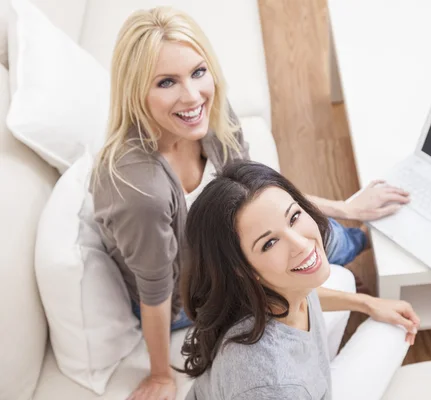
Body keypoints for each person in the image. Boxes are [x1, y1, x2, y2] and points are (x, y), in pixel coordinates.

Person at [90, 6, 410, 399]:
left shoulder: (208, 118)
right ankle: (350, 247)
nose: (192, 96)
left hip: (237, 246)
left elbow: (257, 198)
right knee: (320, 253)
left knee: (328, 241)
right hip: (186, 289)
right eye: (166, 82)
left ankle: (355, 240)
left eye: (198, 72)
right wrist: (160, 374)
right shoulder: (141, 193)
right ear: (135, 90)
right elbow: (155, 291)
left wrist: (347, 207)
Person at [180, 160, 420, 399]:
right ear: (241, 268)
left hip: (301, 380)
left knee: (344, 278)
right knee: (396, 330)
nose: (301, 244)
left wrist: (367, 303)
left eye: (293, 217)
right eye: (269, 243)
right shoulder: (272, 387)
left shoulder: (267, 291)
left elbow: (308, 295)